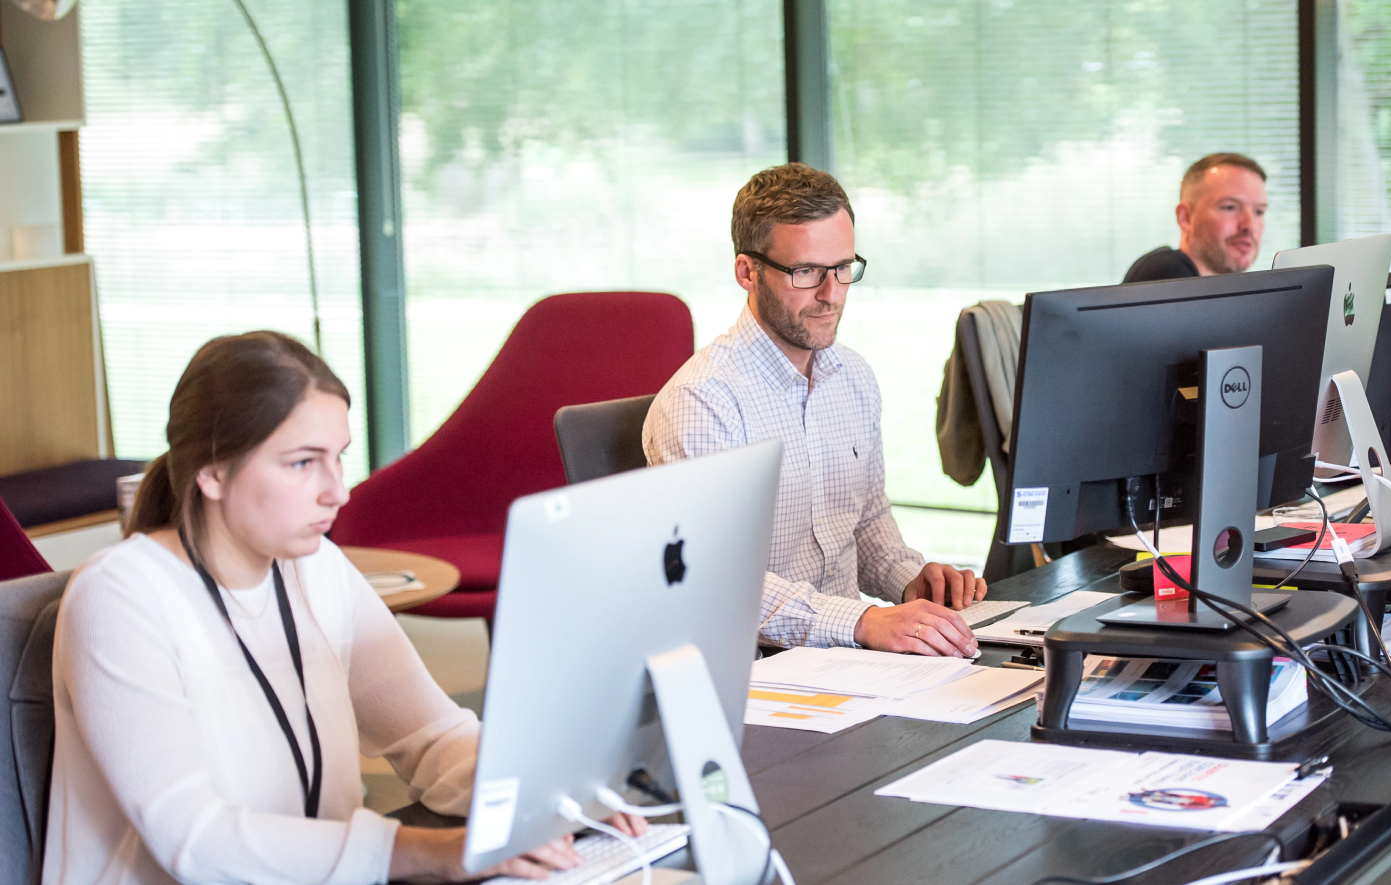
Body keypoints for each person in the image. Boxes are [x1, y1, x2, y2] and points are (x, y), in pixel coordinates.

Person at [43, 331, 643, 885]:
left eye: (339, 457)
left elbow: (432, 736)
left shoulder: (314, 567)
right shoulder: (121, 596)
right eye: (303, 463)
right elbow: (195, 841)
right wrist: (432, 854)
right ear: (213, 472)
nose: (339, 491)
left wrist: (553, 798)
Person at [643, 162, 986, 656]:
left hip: (848, 663)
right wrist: (865, 621)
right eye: (805, 272)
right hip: (757, 673)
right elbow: (718, 581)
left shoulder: (853, 377)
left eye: (843, 268)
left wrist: (914, 584)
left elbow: (865, 522)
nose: (832, 294)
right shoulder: (703, 402)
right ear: (747, 271)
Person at [1123, 152, 1268, 283]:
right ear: (1185, 217)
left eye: (1259, 212)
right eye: (1230, 207)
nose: (1249, 225)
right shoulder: (1166, 274)